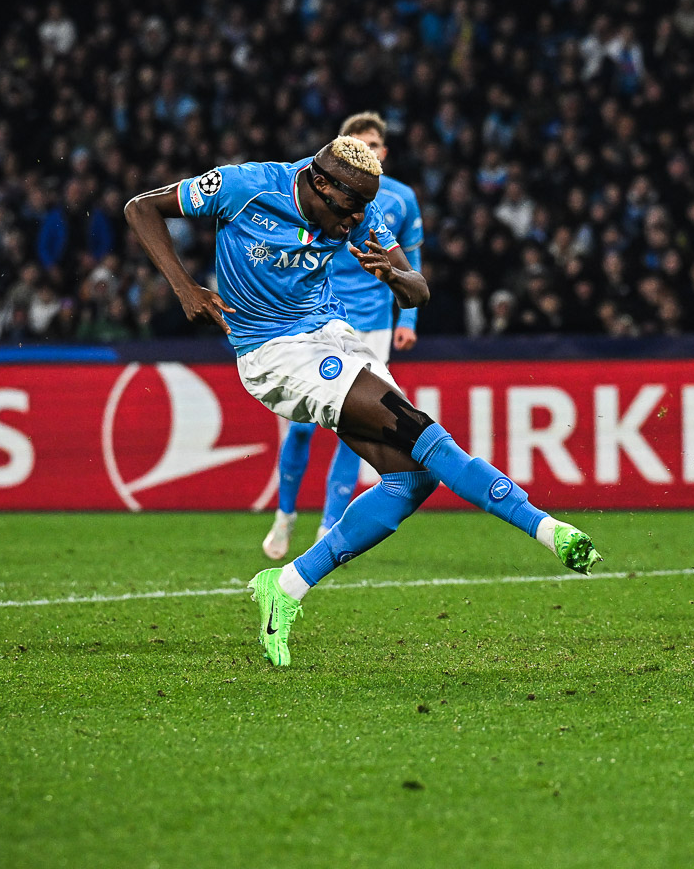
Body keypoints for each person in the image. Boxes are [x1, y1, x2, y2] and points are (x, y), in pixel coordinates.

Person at [124, 136, 602, 667]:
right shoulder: (243, 186)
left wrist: (396, 277)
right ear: (319, 182)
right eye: (348, 211)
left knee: (412, 478)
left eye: (361, 212)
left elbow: (418, 289)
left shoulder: (362, 208)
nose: (354, 222)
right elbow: (141, 208)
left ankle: (287, 584)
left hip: (332, 333)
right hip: (272, 352)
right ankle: (547, 529)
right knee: (418, 430)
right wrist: (185, 287)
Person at [262, 113, 424, 560]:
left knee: (353, 425)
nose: (366, 151)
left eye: (373, 144)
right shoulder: (322, 198)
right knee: (298, 432)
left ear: (384, 152)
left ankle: (329, 525)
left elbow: (411, 260)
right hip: (317, 319)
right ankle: (286, 514)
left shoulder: (401, 200)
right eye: (357, 144)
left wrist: (407, 323)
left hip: (372, 325)